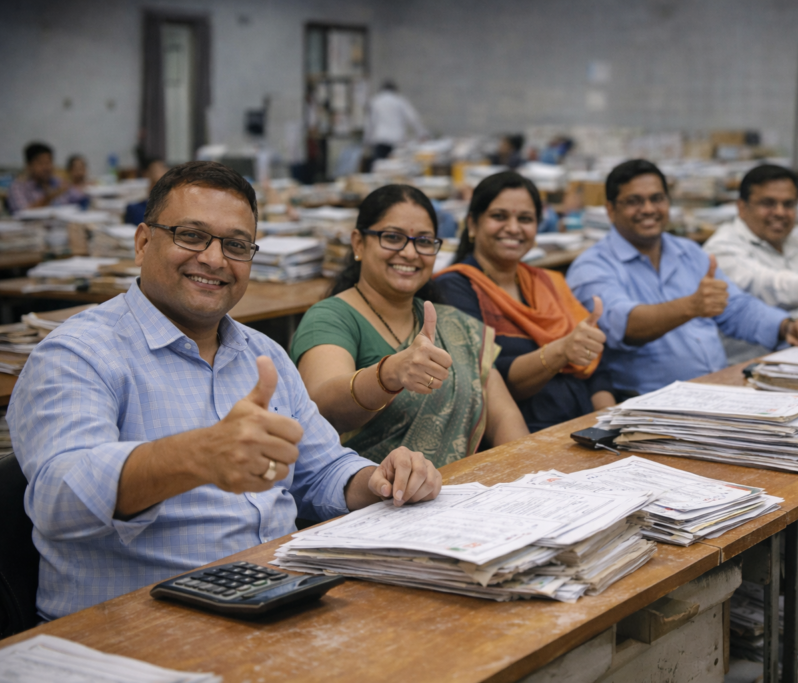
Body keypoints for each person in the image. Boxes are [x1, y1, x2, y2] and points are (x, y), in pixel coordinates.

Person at [8, 161, 441, 621]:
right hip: (136, 629)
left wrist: (378, 481)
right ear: (142, 242)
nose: (214, 259)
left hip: (274, 601)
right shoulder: (79, 353)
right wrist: (196, 455)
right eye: (191, 236)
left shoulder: (262, 353)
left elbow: (321, 471)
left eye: (235, 245)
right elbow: (59, 497)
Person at [290, 184, 528, 465]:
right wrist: (389, 374)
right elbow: (323, 410)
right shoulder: (330, 318)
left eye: (424, 241)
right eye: (392, 237)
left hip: (457, 495)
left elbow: (504, 421)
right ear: (358, 243)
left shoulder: (454, 324)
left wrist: (529, 475)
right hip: (373, 498)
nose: (410, 253)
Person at [565, 159, 798, 397]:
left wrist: (785, 326)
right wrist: (691, 307)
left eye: (657, 199)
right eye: (634, 201)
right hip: (647, 405)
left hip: (718, 392)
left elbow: (737, 307)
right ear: (610, 210)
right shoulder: (591, 267)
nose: (648, 209)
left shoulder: (687, 251)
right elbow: (624, 325)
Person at [434, 171, 614, 432]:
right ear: (472, 224)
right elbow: (487, 380)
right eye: (499, 216)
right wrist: (561, 351)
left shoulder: (549, 282)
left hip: (585, 428)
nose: (514, 228)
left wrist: (607, 425)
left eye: (525, 219)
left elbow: (597, 366)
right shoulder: (452, 288)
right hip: (520, 436)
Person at [704, 164, 798, 322]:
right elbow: (762, 285)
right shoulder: (721, 249)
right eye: (768, 204)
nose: (780, 212)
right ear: (742, 207)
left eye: (789, 205)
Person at [365, 81, 428, 167]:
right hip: (397, 141)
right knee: (397, 170)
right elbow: (413, 118)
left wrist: (367, 140)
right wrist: (422, 133)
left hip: (380, 140)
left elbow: (370, 123)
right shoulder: (400, 100)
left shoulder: (376, 101)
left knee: (379, 170)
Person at [7, 142, 74, 213]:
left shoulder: (57, 182)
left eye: (49, 162)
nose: (46, 168)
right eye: (41, 163)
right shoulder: (18, 186)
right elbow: (23, 212)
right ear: (29, 166)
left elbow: (78, 198)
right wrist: (50, 197)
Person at [125, 157, 170, 225]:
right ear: (146, 173)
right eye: (157, 169)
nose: (163, 171)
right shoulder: (135, 208)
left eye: (163, 168)